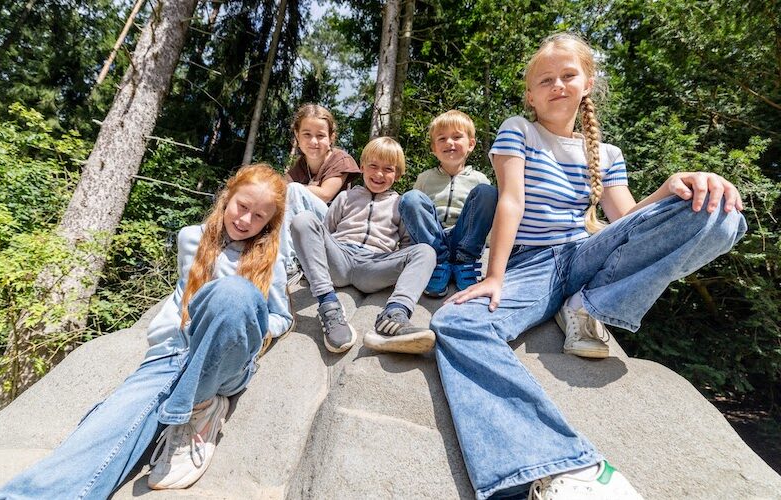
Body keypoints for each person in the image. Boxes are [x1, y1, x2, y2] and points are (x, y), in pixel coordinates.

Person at [430, 33, 747, 500]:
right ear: (530, 95)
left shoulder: (607, 154)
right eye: (545, 80)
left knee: (719, 216)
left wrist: (670, 189)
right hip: (533, 263)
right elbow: (511, 202)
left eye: (568, 75)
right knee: (456, 322)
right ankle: (555, 467)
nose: (557, 85)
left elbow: (627, 220)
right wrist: (494, 276)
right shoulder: (518, 128)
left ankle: (590, 303)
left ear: (588, 83)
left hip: (586, 254)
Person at [0, 164, 293, 498]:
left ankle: (199, 409)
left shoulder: (272, 259)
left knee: (233, 294)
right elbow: (185, 296)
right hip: (176, 353)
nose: (245, 220)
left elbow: (281, 317)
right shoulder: (191, 238)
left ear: (269, 224)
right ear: (228, 196)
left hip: (226, 362)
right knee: (110, 423)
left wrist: (235, 321)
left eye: (258, 217)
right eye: (242, 207)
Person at [290, 137, 437, 355]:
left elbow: (407, 246)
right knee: (303, 219)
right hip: (339, 262)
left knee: (426, 251)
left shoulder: (399, 204)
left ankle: (395, 313)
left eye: (388, 169)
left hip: (374, 267)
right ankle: (328, 305)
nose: (379, 174)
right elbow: (325, 232)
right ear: (362, 167)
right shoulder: (345, 197)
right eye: (373, 166)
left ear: (397, 175)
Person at [399, 110, 498, 297]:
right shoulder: (425, 178)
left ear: (471, 144)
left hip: (465, 239)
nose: (449, 143)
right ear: (433, 148)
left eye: (457, 137)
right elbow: (414, 214)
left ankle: (464, 263)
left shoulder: (479, 179)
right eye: (442, 138)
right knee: (411, 198)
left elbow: (485, 219)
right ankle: (437, 263)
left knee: (488, 192)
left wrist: (487, 246)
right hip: (434, 239)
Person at [281, 104, 361, 285]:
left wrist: (293, 188)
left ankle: (290, 262)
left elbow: (326, 193)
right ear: (297, 135)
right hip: (305, 227)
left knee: (293, 190)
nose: (313, 141)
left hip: (332, 231)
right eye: (307, 134)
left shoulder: (340, 159)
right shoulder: (299, 166)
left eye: (320, 135)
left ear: (331, 137)